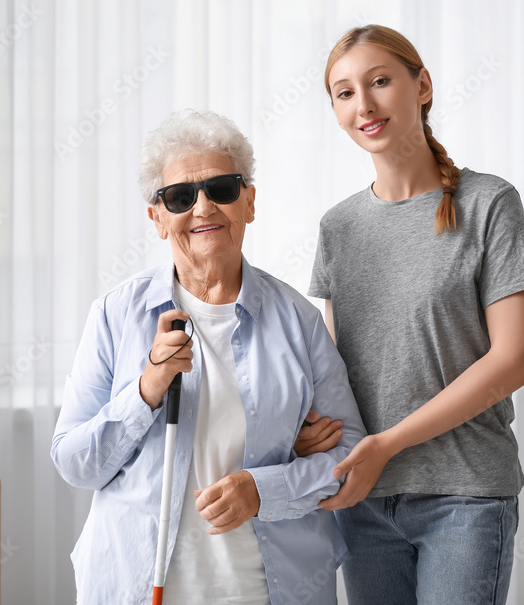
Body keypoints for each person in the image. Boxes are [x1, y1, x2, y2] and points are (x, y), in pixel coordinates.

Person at [51, 109, 366, 604]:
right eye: (179, 197)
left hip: (270, 589)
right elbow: (74, 463)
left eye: (221, 188)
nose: (203, 207)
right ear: (157, 218)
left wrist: (265, 489)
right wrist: (146, 389)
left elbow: (351, 457)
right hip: (136, 587)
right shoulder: (116, 315)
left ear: (249, 201)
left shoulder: (298, 321)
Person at [307, 25, 524, 605]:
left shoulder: (489, 204)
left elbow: (517, 359)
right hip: (362, 498)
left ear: (422, 86)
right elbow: (338, 372)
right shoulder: (339, 227)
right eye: (344, 93)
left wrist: (388, 443)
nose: (363, 104)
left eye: (380, 81)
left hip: (463, 497)